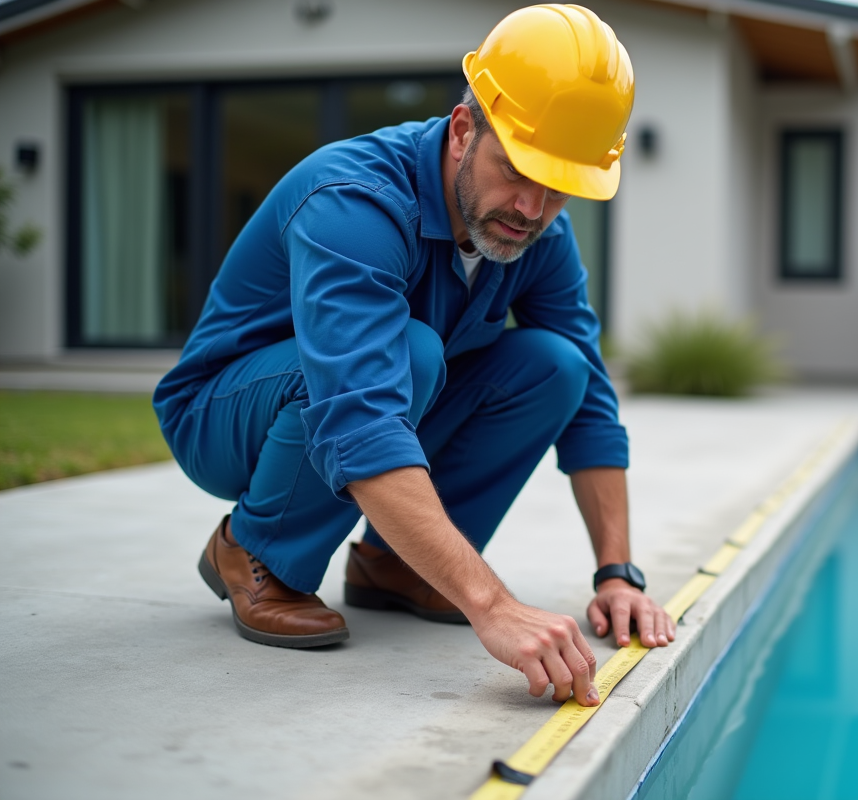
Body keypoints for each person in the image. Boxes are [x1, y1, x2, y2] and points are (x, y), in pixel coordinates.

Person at [152, 4, 673, 708]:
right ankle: (255, 549)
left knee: (558, 365)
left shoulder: (540, 232)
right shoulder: (356, 202)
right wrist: (491, 604)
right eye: (518, 167)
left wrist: (617, 574)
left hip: (381, 393)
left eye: (561, 184)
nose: (532, 204)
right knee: (413, 351)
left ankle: (397, 565)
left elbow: (590, 405)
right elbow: (359, 415)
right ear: (463, 131)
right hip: (223, 415)